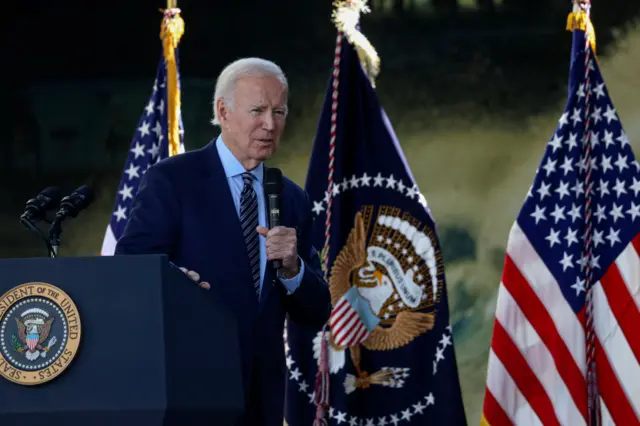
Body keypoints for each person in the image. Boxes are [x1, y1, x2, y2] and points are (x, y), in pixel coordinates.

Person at [115, 57, 331, 426]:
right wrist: (174, 284)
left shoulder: (292, 199)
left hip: (261, 401)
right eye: (257, 110)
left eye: (279, 111)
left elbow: (317, 310)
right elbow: (130, 271)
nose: (269, 124)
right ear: (223, 111)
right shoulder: (173, 181)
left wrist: (294, 270)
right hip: (190, 392)